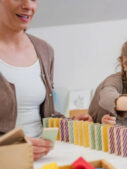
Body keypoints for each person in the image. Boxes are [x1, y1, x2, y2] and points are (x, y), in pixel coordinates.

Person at [0, 0, 90, 160]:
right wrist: (11, 149)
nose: (29, 6)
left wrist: (71, 123)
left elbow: (46, 114)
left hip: (44, 161)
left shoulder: (44, 50)